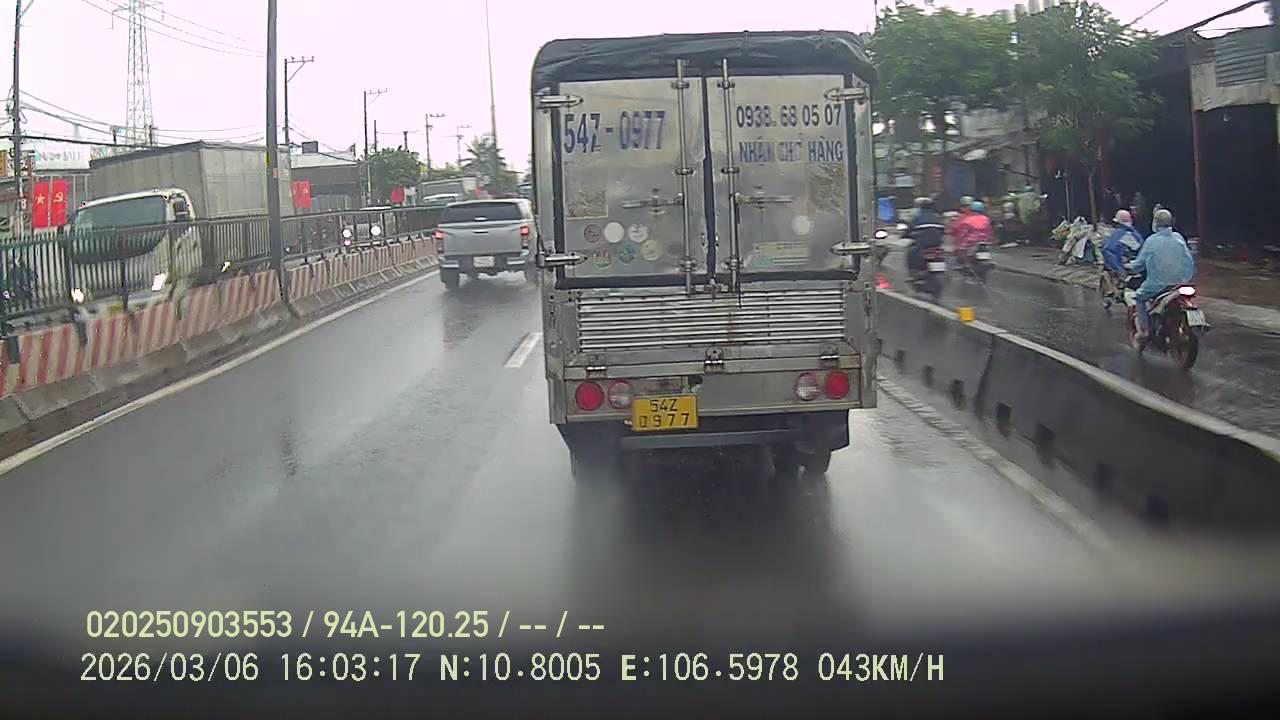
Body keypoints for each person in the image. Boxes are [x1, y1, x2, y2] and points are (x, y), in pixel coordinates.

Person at [1125, 208, 1195, 341]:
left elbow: (1139, 263)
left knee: (1139, 297)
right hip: (1181, 283)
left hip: (1157, 285)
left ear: (1155, 223)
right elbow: (1189, 261)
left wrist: (1129, 267)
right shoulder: (1179, 237)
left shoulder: (1151, 241)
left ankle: (1144, 331)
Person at [1101, 209, 1144, 305]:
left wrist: (1118, 268)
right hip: (1137, 266)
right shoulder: (1137, 235)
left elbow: (1107, 251)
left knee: (1106, 271)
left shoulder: (1117, 234)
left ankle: (1111, 291)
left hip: (1122, 267)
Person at [904, 196, 945, 275]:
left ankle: (913, 272)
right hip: (937, 244)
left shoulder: (917, 217)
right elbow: (943, 230)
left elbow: (909, 229)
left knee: (910, 252)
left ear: (920, 207)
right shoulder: (938, 217)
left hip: (923, 244)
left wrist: (904, 235)